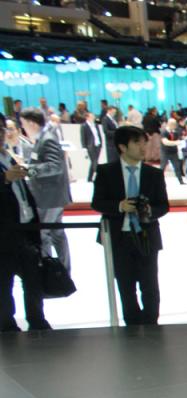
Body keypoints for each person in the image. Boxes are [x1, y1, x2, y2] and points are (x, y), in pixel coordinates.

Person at [91, 125, 169, 325]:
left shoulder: (154, 174)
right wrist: (120, 206)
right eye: (137, 143)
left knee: (150, 285)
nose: (143, 147)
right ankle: (132, 326)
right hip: (119, 237)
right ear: (122, 147)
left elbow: (164, 205)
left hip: (146, 235)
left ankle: (151, 324)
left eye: (144, 142)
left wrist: (150, 211)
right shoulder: (106, 172)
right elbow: (97, 203)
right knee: (126, 286)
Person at [0, 141, 47, 331]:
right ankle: (6, 324)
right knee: (4, 282)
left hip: (25, 227)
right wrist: (4, 178)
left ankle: (37, 320)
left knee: (33, 278)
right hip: (5, 232)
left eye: (2, 129)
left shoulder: (8, 157)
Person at [19, 109, 73, 274]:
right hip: (51, 196)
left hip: (49, 197)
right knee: (57, 233)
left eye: (23, 124)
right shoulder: (44, 137)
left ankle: (49, 273)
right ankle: (62, 273)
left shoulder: (47, 138)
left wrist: (29, 170)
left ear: (32, 123)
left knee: (44, 234)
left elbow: (54, 166)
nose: (23, 128)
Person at [159, 118, 186, 183]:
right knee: (162, 167)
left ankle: (181, 181)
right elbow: (165, 142)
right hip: (165, 152)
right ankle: (159, 180)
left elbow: (179, 139)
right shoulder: (164, 132)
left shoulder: (175, 132)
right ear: (169, 124)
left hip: (174, 152)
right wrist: (176, 142)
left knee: (177, 167)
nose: (175, 126)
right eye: (173, 124)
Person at [80, 111, 103, 183]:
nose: (93, 118)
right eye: (91, 116)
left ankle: (89, 178)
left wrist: (101, 143)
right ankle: (98, 176)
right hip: (90, 146)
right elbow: (83, 137)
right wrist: (84, 148)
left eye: (93, 116)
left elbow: (99, 134)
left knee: (94, 162)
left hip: (97, 145)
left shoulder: (95, 125)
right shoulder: (84, 126)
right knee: (94, 161)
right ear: (87, 117)